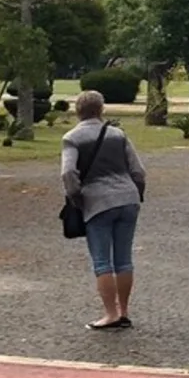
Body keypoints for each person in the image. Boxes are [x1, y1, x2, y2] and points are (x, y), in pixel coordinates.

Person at [61, 90, 146, 330]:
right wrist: (136, 191)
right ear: (101, 109)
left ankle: (110, 314)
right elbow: (138, 169)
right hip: (127, 198)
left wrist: (76, 197)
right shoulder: (118, 134)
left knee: (102, 261)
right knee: (124, 259)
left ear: (77, 111)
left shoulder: (72, 138)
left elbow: (68, 173)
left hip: (97, 201)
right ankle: (124, 311)